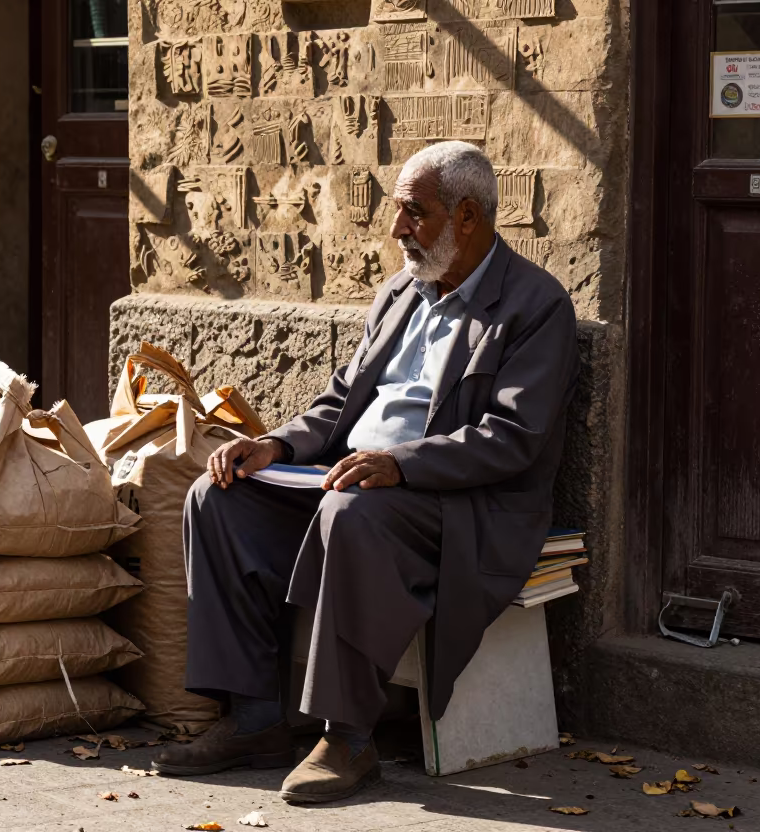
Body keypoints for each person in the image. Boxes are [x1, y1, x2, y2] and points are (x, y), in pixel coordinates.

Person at [153, 141, 580, 803]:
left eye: (415, 213)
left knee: (352, 511)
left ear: (467, 218)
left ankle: (348, 737)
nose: (397, 229)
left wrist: (399, 465)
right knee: (218, 495)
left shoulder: (534, 306)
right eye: (398, 212)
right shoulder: (398, 294)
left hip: (460, 503)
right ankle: (256, 719)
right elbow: (339, 402)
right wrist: (275, 447)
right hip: (357, 480)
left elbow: (511, 438)